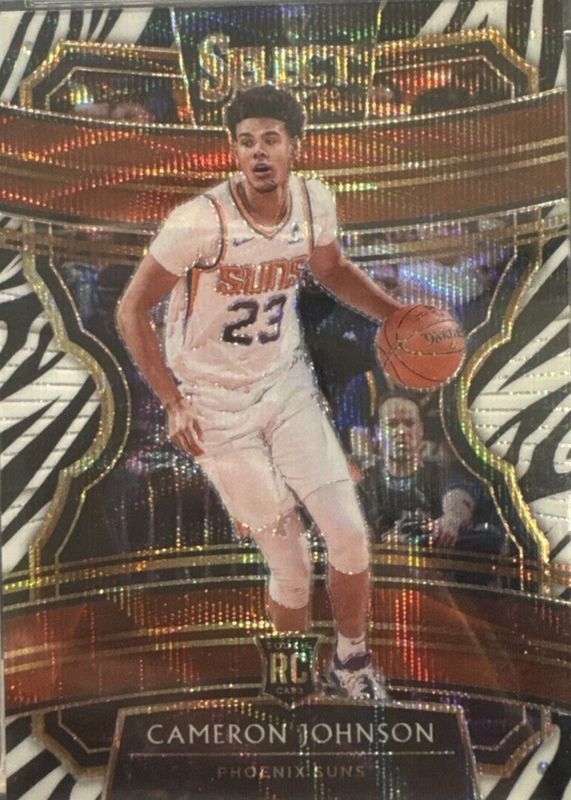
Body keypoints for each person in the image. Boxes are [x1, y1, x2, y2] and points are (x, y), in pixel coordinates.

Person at [117, 84, 402, 698]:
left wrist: (395, 315)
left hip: (284, 384)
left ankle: (351, 661)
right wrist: (173, 402)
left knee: (350, 534)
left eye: (270, 139)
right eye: (246, 142)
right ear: (235, 152)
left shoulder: (314, 200)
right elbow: (131, 310)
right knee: (291, 563)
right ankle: (292, 681)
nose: (258, 152)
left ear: (295, 147)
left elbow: (331, 269)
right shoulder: (199, 219)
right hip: (214, 407)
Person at [359, 393, 505, 569]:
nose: (402, 432)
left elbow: (458, 495)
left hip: (432, 563)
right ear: (377, 432)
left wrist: (451, 520)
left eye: (409, 423)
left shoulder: (440, 474)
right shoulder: (365, 483)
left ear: (421, 430)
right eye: (392, 424)